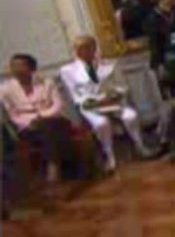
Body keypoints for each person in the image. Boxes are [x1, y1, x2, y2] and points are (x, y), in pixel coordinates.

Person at [60, 35, 157, 170]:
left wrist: (114, 95)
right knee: (102, 123)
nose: (86, 51)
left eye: (89, 48)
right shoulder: (68, 71)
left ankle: (140, 146)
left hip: (112, 102)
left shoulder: (110, 64)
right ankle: (110, 156)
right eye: (82, 49)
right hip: (90, 106)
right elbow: (75, 95)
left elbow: (123, 86)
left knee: (130, 116)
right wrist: (93, 101)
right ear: (76, 51)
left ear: (95, 48)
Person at [0, 53, 77, 182]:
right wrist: (30, 122)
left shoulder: (46, 82)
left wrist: (42, 117)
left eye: (20, 66)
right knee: (52, 132)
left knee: (50, 126)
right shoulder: (5, 89)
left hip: (52, 119)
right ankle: (59, 167)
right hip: (27, 127)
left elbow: (58, 104)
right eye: (13, 66)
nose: (16, 70)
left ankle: (53, 168)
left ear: (31, 68)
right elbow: (11, 114)